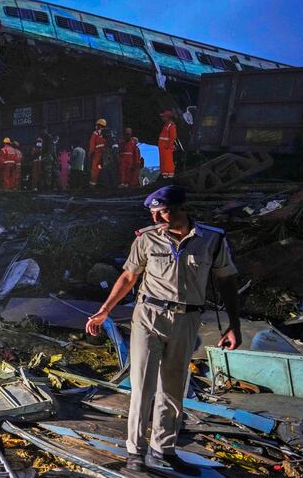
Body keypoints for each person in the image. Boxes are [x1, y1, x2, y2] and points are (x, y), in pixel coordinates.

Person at [85, 186, 241, 475]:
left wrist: (234, 325)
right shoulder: (146, 238)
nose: (156, 217)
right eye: (153, 212)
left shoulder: (212, 239)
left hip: (186, 319)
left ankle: (163, 451)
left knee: (173, 388)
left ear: (182, 208)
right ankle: (135, 454)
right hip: (148, 315)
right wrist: (104, 310)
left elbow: (227, 282)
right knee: (142, 386)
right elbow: (129, 276)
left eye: (163, 211)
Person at [158, 109, 177, 178]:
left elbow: (173, 137)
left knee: (167, 161)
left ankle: (169, 175)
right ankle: (165, 175)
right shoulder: (166, 125)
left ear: (167, 117)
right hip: (163, 147)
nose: (162, 118)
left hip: (166, 147)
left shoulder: (171, 126)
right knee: (163, 161)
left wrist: (168, 146)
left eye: (164, 117)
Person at [87, 119, 107, 186]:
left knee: (95, 168)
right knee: (102, 167)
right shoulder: (106, 134)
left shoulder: (95, 134)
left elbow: (92, 145)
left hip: (97, 153)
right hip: (105, 154)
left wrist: (90, 154)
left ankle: (93, 183)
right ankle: (103, 182)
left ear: (98, 125)